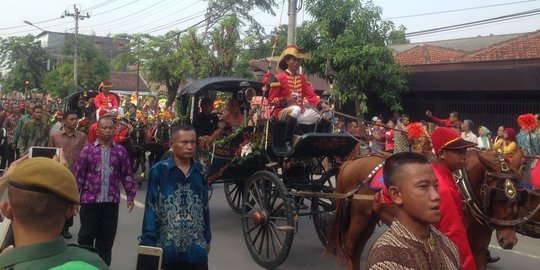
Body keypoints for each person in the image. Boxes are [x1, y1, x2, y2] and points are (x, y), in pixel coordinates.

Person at [0, 156, 108, 269]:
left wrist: (5, 178)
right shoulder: (93, 263)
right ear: (70, 210)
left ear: (6, 209)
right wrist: (60, 177)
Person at [366, 152, 460, 269]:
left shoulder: (448, 246)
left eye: (436, 185)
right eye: (423, 186)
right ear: (396, 195)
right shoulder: (384, 262)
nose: (436, 195)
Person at [139, 125, 211, 270]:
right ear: (172, 144)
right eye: (184, 142)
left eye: (193, 142)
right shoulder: (159, 171)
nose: (190, 146)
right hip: (167, 248)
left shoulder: (201, 170)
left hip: (196, 249)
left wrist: (207, 237)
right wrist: (148, 241)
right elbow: (151, 208)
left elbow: (204, 206)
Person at [74, 116, 137, 266]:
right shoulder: (87, 151)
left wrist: (130, 195)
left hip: (111, 202)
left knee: (106, 240)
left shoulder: (120, 151)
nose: (108, 131)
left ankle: (102, 267)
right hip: (90, 202)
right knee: (86, 237)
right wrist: (74, 198)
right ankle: (85, 267)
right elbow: (78, 175)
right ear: (98, 131)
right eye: (105, 128)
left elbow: (127, 174)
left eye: (111, 128)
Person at [431, 127, 478, 270]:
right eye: (459, 152)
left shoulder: (436, 172)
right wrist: (468, 266)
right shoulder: (444, 187)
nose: (464, 156)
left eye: (464, 151)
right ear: (443, 153)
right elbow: (453, 232)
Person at [268, 45, 331, 149]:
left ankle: (323, 143)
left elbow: (311, 96)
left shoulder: (302, 79)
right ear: (287, 61)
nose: (297, 63)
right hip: (281, 113)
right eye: (294, 60)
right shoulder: (278, 78)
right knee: (296, 109)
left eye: (299, 60)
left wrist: (322, 104)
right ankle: (287, 142)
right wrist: (286, 101)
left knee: (326, 114)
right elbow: (271, 100)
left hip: (299, 113)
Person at [48, 110, 88, 239]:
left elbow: (86, 155)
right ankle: (56, 227)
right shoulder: (55, 136)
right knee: (57, 201)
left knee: (70, 201)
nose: (74, 121)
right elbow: (50, 155)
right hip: (58, 174)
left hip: (75, 175)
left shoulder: (82, 137)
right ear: (64, 121)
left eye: (76, 119)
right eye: (71, 119)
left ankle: (66, 228)